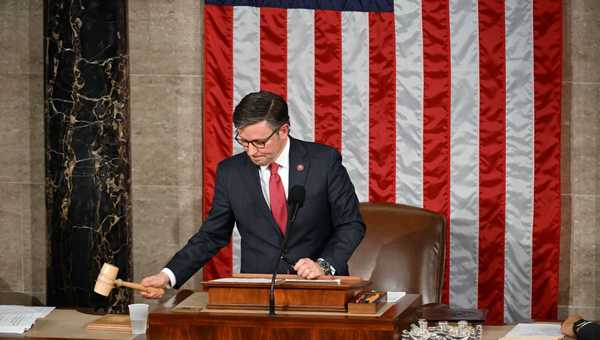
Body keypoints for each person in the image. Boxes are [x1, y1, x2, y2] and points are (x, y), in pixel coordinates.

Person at [140, 91, 365, 298]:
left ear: (283, 131)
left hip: (319, 288)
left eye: (259, 142)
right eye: (244, 141)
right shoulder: (231, 172)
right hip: (258, 291)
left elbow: (351, 225)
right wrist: (168, 276)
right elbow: (212, 235)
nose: (251, 151)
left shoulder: (323, 162)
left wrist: (323, 265)